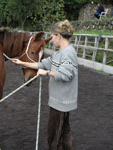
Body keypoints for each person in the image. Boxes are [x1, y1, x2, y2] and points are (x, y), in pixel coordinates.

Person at [12, 20, 78, 150]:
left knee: (54, 136)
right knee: (64, 133)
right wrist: (22, 63)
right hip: (60, 102)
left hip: (61, 103)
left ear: (59, 36)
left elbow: (66, 75)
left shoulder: (68, 54)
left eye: (53, 37)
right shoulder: (59, 53)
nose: (52, 40)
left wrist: (47, 73)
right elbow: (42, 64)